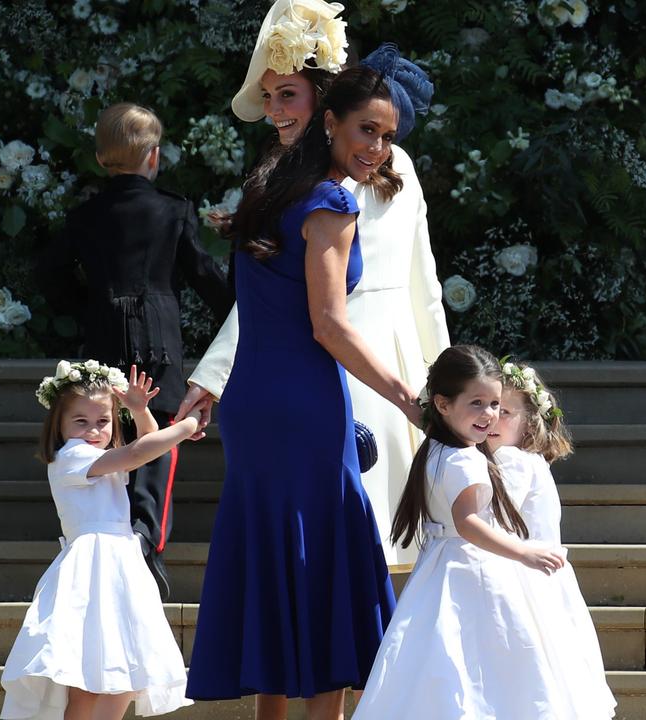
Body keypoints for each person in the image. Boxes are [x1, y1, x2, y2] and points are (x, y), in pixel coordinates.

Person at [184, 65, 422, 720]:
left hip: (255, 402)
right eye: (366, 130)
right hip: (303, 403)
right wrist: (409, 398)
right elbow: (329, 324)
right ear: (331, 123)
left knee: (281, 562)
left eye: (387, 136)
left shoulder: (271, 189)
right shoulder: (331, 202)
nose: (376, 147)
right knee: (325, 568)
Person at [177, 2, 448, 570]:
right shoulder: (297, 179)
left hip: (368, 359)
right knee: (345, 546)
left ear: (325, 102)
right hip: (330, 358)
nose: (274, 111)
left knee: (370, 543)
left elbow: (423, 285)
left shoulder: (361, 169)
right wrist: (214, 375)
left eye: (288, 94)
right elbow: (275, 292)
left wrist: (438, 377)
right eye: (269, 96)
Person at [354, 346, 613, 719]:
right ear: (442, 404)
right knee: (487, 666)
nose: (489, 415)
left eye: (496, 405)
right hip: (471, 568)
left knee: (439, 657)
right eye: (478, 403)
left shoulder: (436, 448)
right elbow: (468, 523)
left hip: (440, 568)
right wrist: (523, 552)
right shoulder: (465, 459)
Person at [38, 102, 232, 598]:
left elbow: (51, 276)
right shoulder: (173, 208)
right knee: (158, 439)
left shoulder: (85, 214)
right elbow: (205, 276)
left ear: (104, 157)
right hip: (159, 341)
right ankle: (147, 536)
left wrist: (85, 308)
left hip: (103, 339)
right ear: (153, 155)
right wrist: (241, 308)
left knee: (108, 435)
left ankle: (121, 532)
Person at [0, 361, 201, 720]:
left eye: (103, 421)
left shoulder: (99, 456)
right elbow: (141, 451)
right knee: (87, 675)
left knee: (125, 670)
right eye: (81, 422)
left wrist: (139, 411)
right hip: (92, 569)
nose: (93, 431)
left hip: (120, 566)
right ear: (59, 426)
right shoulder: (71, 457)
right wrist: (186, 427)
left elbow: (146, 444)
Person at [487, 360, 617, 717]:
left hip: (524, 580)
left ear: (529, 422)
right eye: (490, 406)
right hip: (539, 578)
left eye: (506, 411)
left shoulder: (512, 460)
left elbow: (492, 518)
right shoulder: (528, 460)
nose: (492, 418)